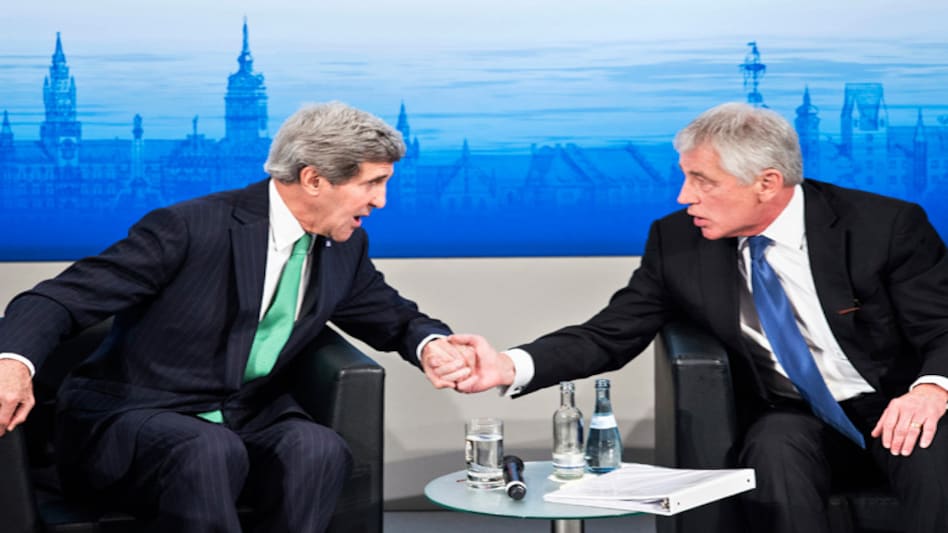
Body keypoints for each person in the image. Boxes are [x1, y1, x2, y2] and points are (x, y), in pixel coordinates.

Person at [440, 102, 948, 533]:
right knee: (775, 447)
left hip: (895, 404)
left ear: (767, 183)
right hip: (794, 416)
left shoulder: (883, 226)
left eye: (702, 181)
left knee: (931, 447)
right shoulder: (678, 240)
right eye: (686, 178)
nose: (685, 198)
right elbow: (611, 333)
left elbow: (942, 326)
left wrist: (931, 389)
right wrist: (509, 366)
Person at [0, 101, 471, 533]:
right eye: (371, 183)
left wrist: (433, 346)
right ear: (313, 180)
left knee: (319, 448)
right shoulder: (188, 228)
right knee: (207, 450)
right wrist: (13, 364)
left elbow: (389, 314)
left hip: (246, 414)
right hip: (137, 415)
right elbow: (54, 300)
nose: (381, 201)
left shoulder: (343, 246)